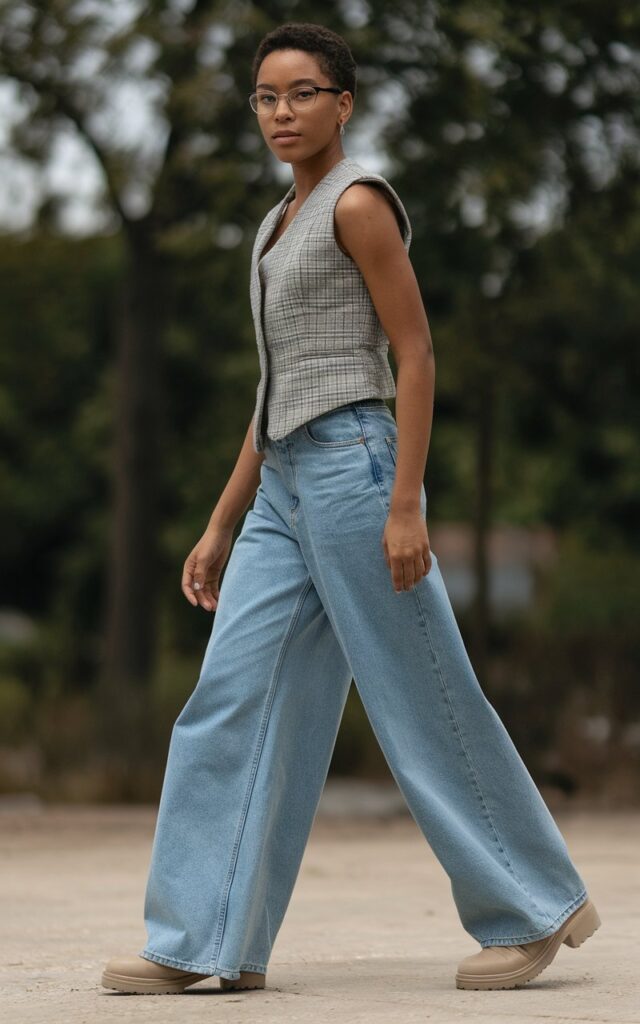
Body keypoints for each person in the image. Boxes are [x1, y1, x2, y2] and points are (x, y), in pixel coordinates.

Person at [101, 22, 600, 996]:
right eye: (264, 97)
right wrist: (219, 521)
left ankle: (533, 907)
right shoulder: (274, 223)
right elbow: (271, 390)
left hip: (358, 472)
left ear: (344, 102)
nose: (280, 112)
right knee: (228, 700)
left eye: (301, 93)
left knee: (418, 693)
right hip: (283, 484)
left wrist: (405, 500)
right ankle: (203, 940)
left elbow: (412, 352)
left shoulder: (358, 204)